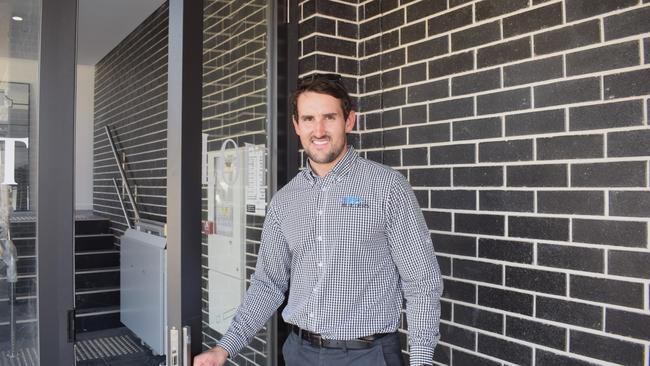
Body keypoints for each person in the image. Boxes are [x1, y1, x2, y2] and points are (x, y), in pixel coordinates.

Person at [193, 73, 442, 366]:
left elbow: (422, 283)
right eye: (309, 119)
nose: (319, 130)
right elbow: (268, 284)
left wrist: (422, 361)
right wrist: (224, 348)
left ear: (349, 121)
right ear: (297, 125)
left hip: (368, 356)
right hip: (299, 353)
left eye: (329, 117)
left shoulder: (387, 187)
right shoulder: (284, 201)